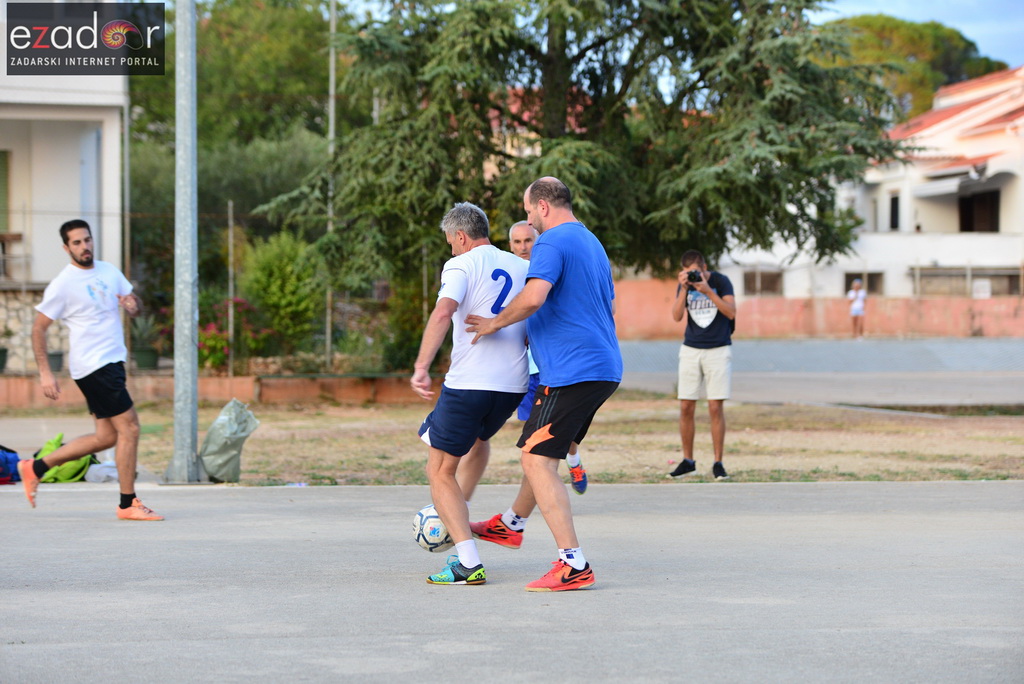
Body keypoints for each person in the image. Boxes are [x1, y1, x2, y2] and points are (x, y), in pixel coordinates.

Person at [466, 176, 622, 592]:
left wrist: (493, 323)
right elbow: (601, 302)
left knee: (536, 460)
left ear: (543, 206)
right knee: (540, 454)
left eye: (530, 210)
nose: (529, 221)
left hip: (574, 371)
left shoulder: (551, 241)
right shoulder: (591, 241)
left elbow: (534, 297)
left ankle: (573, 563)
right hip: (600, 366)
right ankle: (510, 525)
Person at [410, 202, 530, 586]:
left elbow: (443, 313)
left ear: (461, 237)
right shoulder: (521, 265)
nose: (450, 249)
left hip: (470, 383)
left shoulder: (461, 264)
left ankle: (467, 561)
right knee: (478, 443)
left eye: (450, 242)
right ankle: (456, 514)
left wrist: (421, 367)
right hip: (512, 386)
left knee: (438, 470)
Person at [17, 219, 163, 521]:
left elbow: (135, 307)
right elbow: (39, 328)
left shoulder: (110, 271)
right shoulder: (63, 284)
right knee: (131, 428)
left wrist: (132, 305)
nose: (85, 247)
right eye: (77, 243)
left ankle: (36, 467)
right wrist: (45, 372)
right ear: (66, 247)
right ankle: (127, 504)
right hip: (94, 366)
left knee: (106, 437)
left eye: (87, 240)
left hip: (113, 362)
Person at [508, 219, 587, 495]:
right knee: (533, 436)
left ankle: (574, 462)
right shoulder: (511, 274)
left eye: (528, 240)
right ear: (510, 245)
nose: (523, 247)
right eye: (517, 242)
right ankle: (542, 491)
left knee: (559, 432)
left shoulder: (551, 267)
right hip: (525, 369)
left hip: (554, 365)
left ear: (537, 241)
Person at [669, 249, 736, 481]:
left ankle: (718, 462)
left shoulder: (720, 281)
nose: (695, 276)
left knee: (715, 407)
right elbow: (677, 316)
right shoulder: (685, 285)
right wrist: (684, 290)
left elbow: (730, 312)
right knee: (686, 405)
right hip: (691, 349)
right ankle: (688, 461)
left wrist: (708, 291)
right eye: (689, 273)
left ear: (705, 268)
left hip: (718, 348)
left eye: (697, 272)